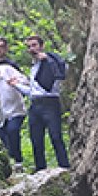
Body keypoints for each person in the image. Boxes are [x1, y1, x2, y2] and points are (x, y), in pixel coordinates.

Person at [24, 35, 70, 170]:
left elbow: (61, 72)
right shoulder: (33, 68)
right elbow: (33, 90)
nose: (32, 49)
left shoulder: (52, 61)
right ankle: (40, 169)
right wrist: (16, 85)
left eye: (34, 45)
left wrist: (48, 60)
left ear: (41, 46)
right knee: (36, 139)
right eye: (29, 46)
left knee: (56, 136)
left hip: (50, 102)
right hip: (35, 104)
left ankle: (64, 166)